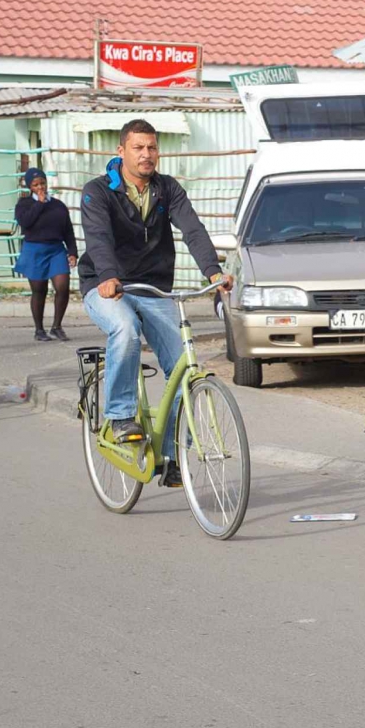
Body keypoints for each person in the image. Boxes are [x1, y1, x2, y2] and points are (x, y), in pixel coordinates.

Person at [78, 119, 232, 487]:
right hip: (106, 285)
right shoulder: (97, 191)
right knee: (126, 330)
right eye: (138, 148)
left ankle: (171, 451)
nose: (146, 155)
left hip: (154, 288)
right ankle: (120, 416)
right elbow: (97, 236)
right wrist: (108, 276)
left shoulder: (168, 189)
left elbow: (192, 229)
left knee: (183, 364)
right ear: (121, 151)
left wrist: (213, 272)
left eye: (152, 148)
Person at [14, 167, 79, 342]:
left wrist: (72, 252)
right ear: (30, 187)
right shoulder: (24, 204)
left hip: (56, 249)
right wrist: (39, 204)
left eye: (42, 183)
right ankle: (39, 329)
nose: (40, 187)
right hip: (34, 250)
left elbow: (68, 230)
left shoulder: (58, 205)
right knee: (39, 290)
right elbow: (26, 222)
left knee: (62, 286)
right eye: (35, 184)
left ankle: (57, 326)